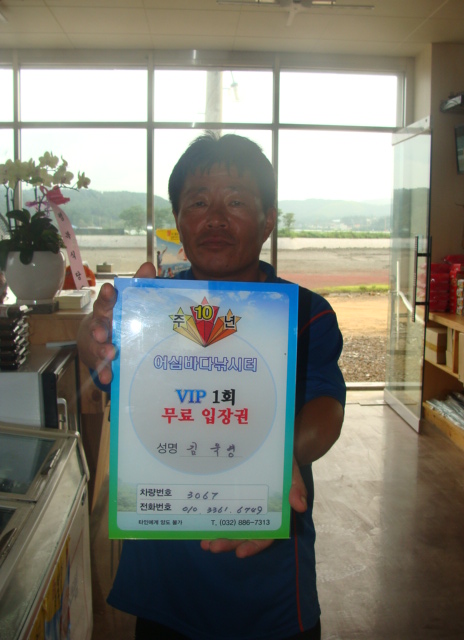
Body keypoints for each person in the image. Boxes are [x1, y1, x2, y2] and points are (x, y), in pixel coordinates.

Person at [77, 132, 346, 640]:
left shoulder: (305, 311)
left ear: (268, 220)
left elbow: (327, 409)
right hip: (165, 582)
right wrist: (91, 338)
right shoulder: (149, 309)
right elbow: (95, 348)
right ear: (178, 220)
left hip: (267, 583)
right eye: (198, 202)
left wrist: (268, 466)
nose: (216, 218)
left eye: (236, 202)